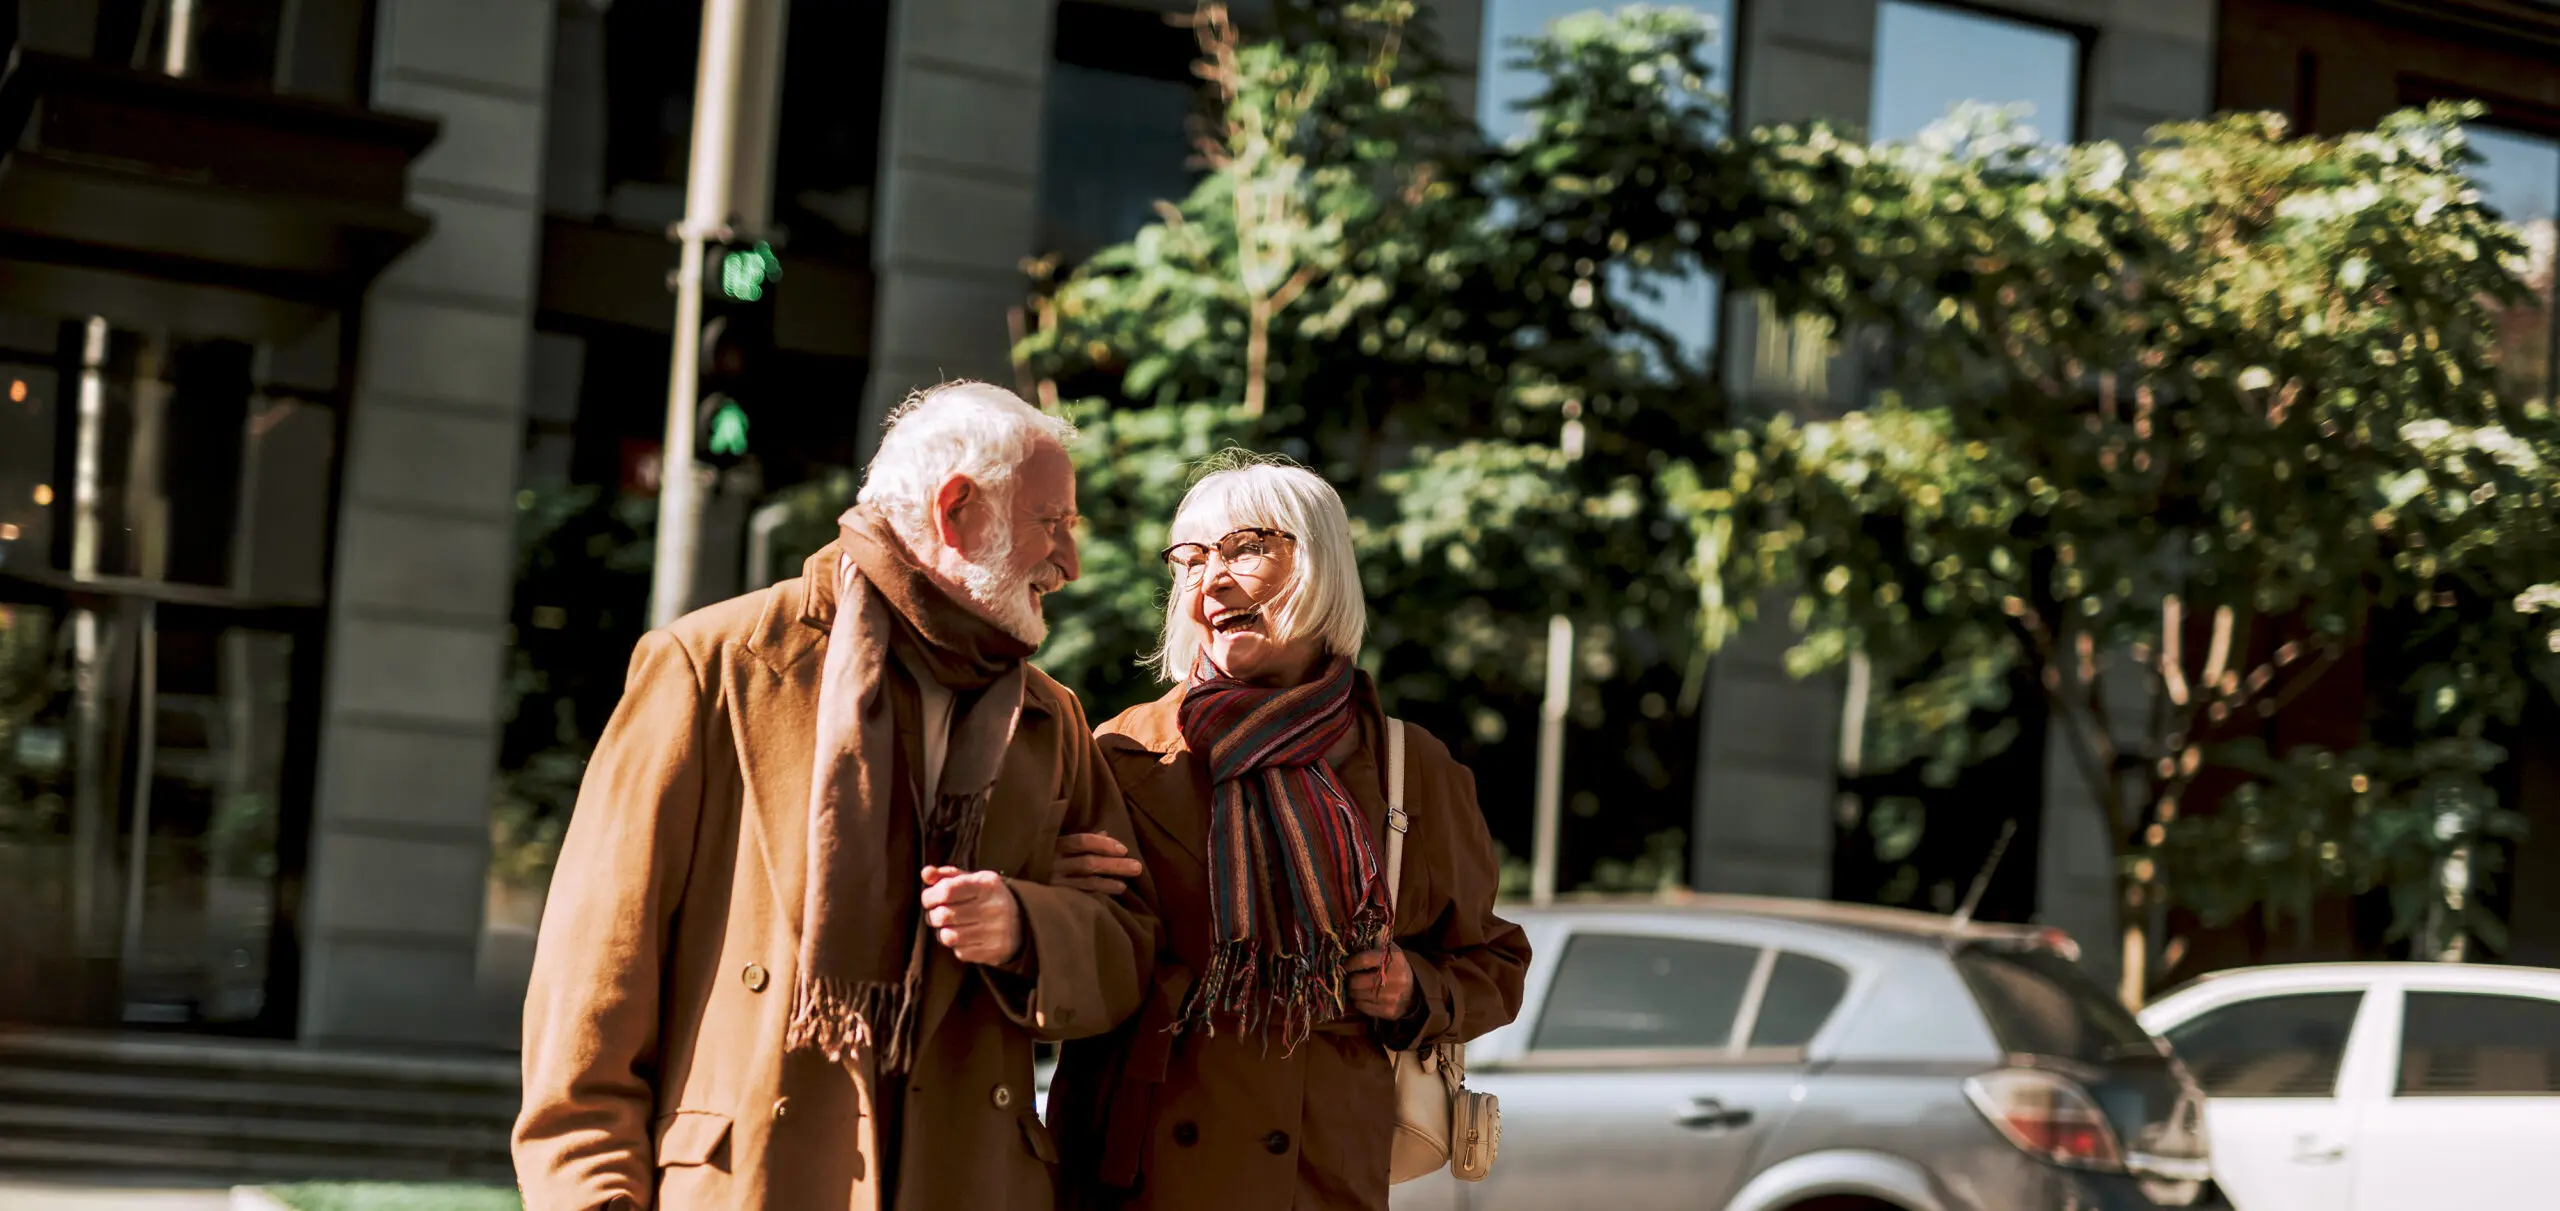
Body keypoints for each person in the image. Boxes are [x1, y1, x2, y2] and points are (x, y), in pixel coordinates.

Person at [514, 381, 1157, 1211]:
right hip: (748, 1180)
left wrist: (1029, 925)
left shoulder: (1051, 717)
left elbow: (1126, 945)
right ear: (958, 510)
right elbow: (597, 970)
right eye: (1053, 522)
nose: (1069, 562)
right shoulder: (714, 666)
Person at [1043, 459, 1530, 1211]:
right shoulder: (1120, 752)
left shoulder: (1412, 767)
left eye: (1243, 549)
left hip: (1318, 1172)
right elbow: (1085, 962)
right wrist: (1057, 897)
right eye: (1192, 561)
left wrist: (1414, 988)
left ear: (1321, 563)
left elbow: (1494, 961)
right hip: (1142, 1171)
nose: (1211, 581)